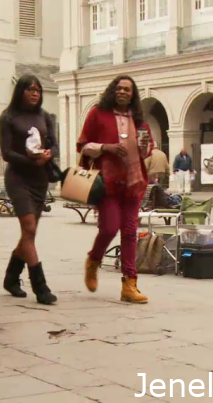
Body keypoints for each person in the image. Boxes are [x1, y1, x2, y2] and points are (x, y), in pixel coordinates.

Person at [77, 75, 154, 304]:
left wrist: (144, 147)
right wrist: (106, 148)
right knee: (109, 228)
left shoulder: (139, 120)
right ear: (113, 91)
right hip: (108, 183)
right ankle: (93, 260)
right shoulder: (97, 114)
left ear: (133, 95)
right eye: (119, 88)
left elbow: (146, 151)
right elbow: (83, 146)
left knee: (130, 232)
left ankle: (129, 284)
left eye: (127, 90)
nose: (123, 92)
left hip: (133, 183)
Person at [0, 74, 58, 305]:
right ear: (20, 91)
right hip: (18, 178)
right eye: (30, 89)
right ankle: (40, 287)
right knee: (30, 226)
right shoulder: (8, 117)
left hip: (40, 179)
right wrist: (30, 159)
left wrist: (48, 155)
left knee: (28, 234)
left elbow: (53, 143)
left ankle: (11, 278)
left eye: (38, 90)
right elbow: (6, 153)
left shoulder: (44, 116)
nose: (35, 93)